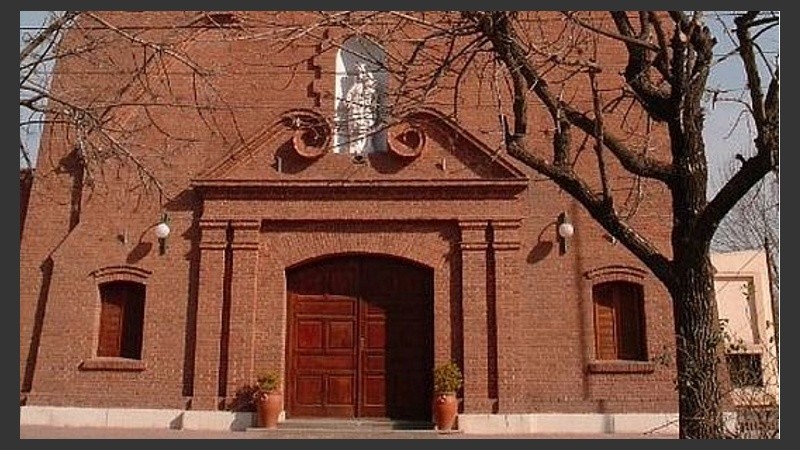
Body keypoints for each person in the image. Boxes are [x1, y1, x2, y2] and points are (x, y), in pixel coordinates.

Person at [344, 62, 378, 154]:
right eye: (358, 73)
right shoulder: (356, 86)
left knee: (366, 126)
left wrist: (372, 103)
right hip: (356, 109)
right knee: (355, 126)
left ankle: (367, 145)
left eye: (362, 73)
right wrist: (349, 102)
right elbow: (349, 95)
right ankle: (354, 145)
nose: (360, 75)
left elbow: (374, 98)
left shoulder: (370, 86)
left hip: (366, 110)